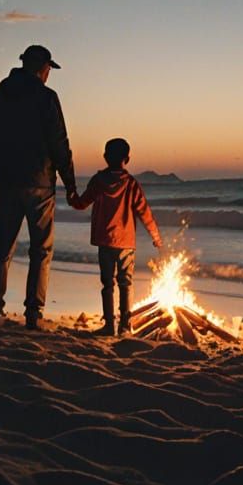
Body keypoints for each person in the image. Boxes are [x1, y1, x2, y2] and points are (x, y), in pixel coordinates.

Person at [0, 45, 76, 329]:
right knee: (41, 250)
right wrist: (69, 182)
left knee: (4, 248)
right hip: (40, 184)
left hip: (7, 182)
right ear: (41, 67)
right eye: (48, 69)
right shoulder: (46, 98)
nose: (49, 75)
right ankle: (33, 314)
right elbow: (59, 142)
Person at [69, 138, 162, 336]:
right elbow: (144, 211)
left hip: (105, 240)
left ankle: (109, 325)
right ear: (127, 159)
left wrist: (72, 198)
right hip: (126, 241)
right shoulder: (131, 184)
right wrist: (155, 235)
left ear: (105, 157)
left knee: (108, 284)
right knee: (126, 283)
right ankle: (125, 326)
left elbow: (83, 202)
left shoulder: (98, 181)